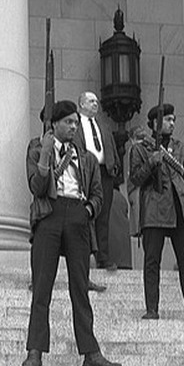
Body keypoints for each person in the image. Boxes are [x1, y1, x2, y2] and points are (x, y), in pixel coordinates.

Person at [22, 100, 121, 366]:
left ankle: (91, 352)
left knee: (81, 288)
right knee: (42, 287)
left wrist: (88, 210)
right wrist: (44, 154)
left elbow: (99, 194)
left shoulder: (86, 157)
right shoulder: (36, 149)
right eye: (68, 122)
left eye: (76, 123)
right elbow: (37, 186)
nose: (73, 127)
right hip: (49, 214)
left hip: (78, 215)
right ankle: (35, 351)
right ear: (54, 124)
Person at [129, 104, 184, 321]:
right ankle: (152, 308)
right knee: (152, 261)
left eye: (173, 119)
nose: (172, 123)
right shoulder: (142, 148)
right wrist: (151, 163)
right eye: (168, 119)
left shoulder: (180, 148)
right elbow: (135, 179)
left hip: (180, 207)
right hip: (155, 209)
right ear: (154, 122)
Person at [75, 91, 121, 271]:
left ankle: (103, 257)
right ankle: (85, 257)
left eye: (96, 101)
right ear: (81, 104)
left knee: (104, 216)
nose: (95, 104)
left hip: (104, 172)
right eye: (91, 101)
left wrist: (114, 165)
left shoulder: (103, 124)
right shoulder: (76, 123)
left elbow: (111, 147)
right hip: (85, 172)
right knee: (85, 214)